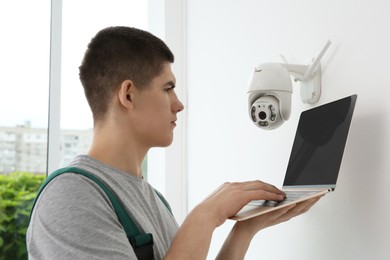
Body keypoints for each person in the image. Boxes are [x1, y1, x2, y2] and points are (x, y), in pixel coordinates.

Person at [26, 26, 320, 259]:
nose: (179, 104)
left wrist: (244, 230)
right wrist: (206, 215)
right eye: (168, 88)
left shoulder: (154, 200)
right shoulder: (71, 196)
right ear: (128, 95)